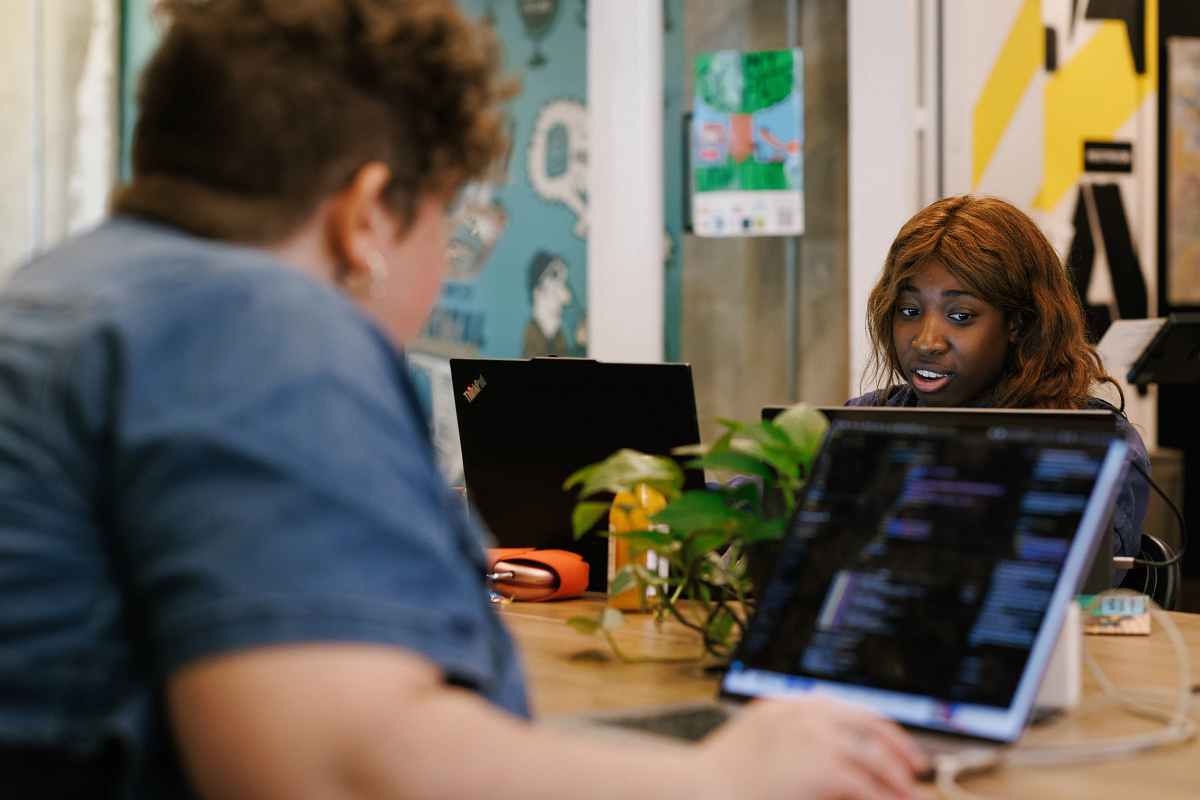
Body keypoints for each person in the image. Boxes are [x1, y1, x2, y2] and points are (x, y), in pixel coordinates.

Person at [0, 1, 929, 798]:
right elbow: (336, 766)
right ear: (367, 216)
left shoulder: (57, 299)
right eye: (446, 220)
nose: (444, 262)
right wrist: (725, 777)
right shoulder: (258, 323)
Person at [848, 194, 1150, 564]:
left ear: (1018, 323)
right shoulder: (860, 424)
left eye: (960, 316)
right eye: (909, 311)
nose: (926, 341)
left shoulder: (1096, 445)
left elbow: (1065, 581)